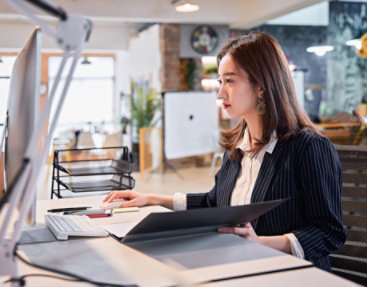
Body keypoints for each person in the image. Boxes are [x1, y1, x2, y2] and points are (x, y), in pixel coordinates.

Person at [104, 32, 346, 271]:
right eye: (221, 82)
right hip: (240, 269)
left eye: (230, 80)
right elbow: (215, 204)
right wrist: (152, 199)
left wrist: (261, 244)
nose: (221, 93)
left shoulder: (309, 148)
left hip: (290, 274)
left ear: (261, 86)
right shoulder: (237, 149)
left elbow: (329, 232)